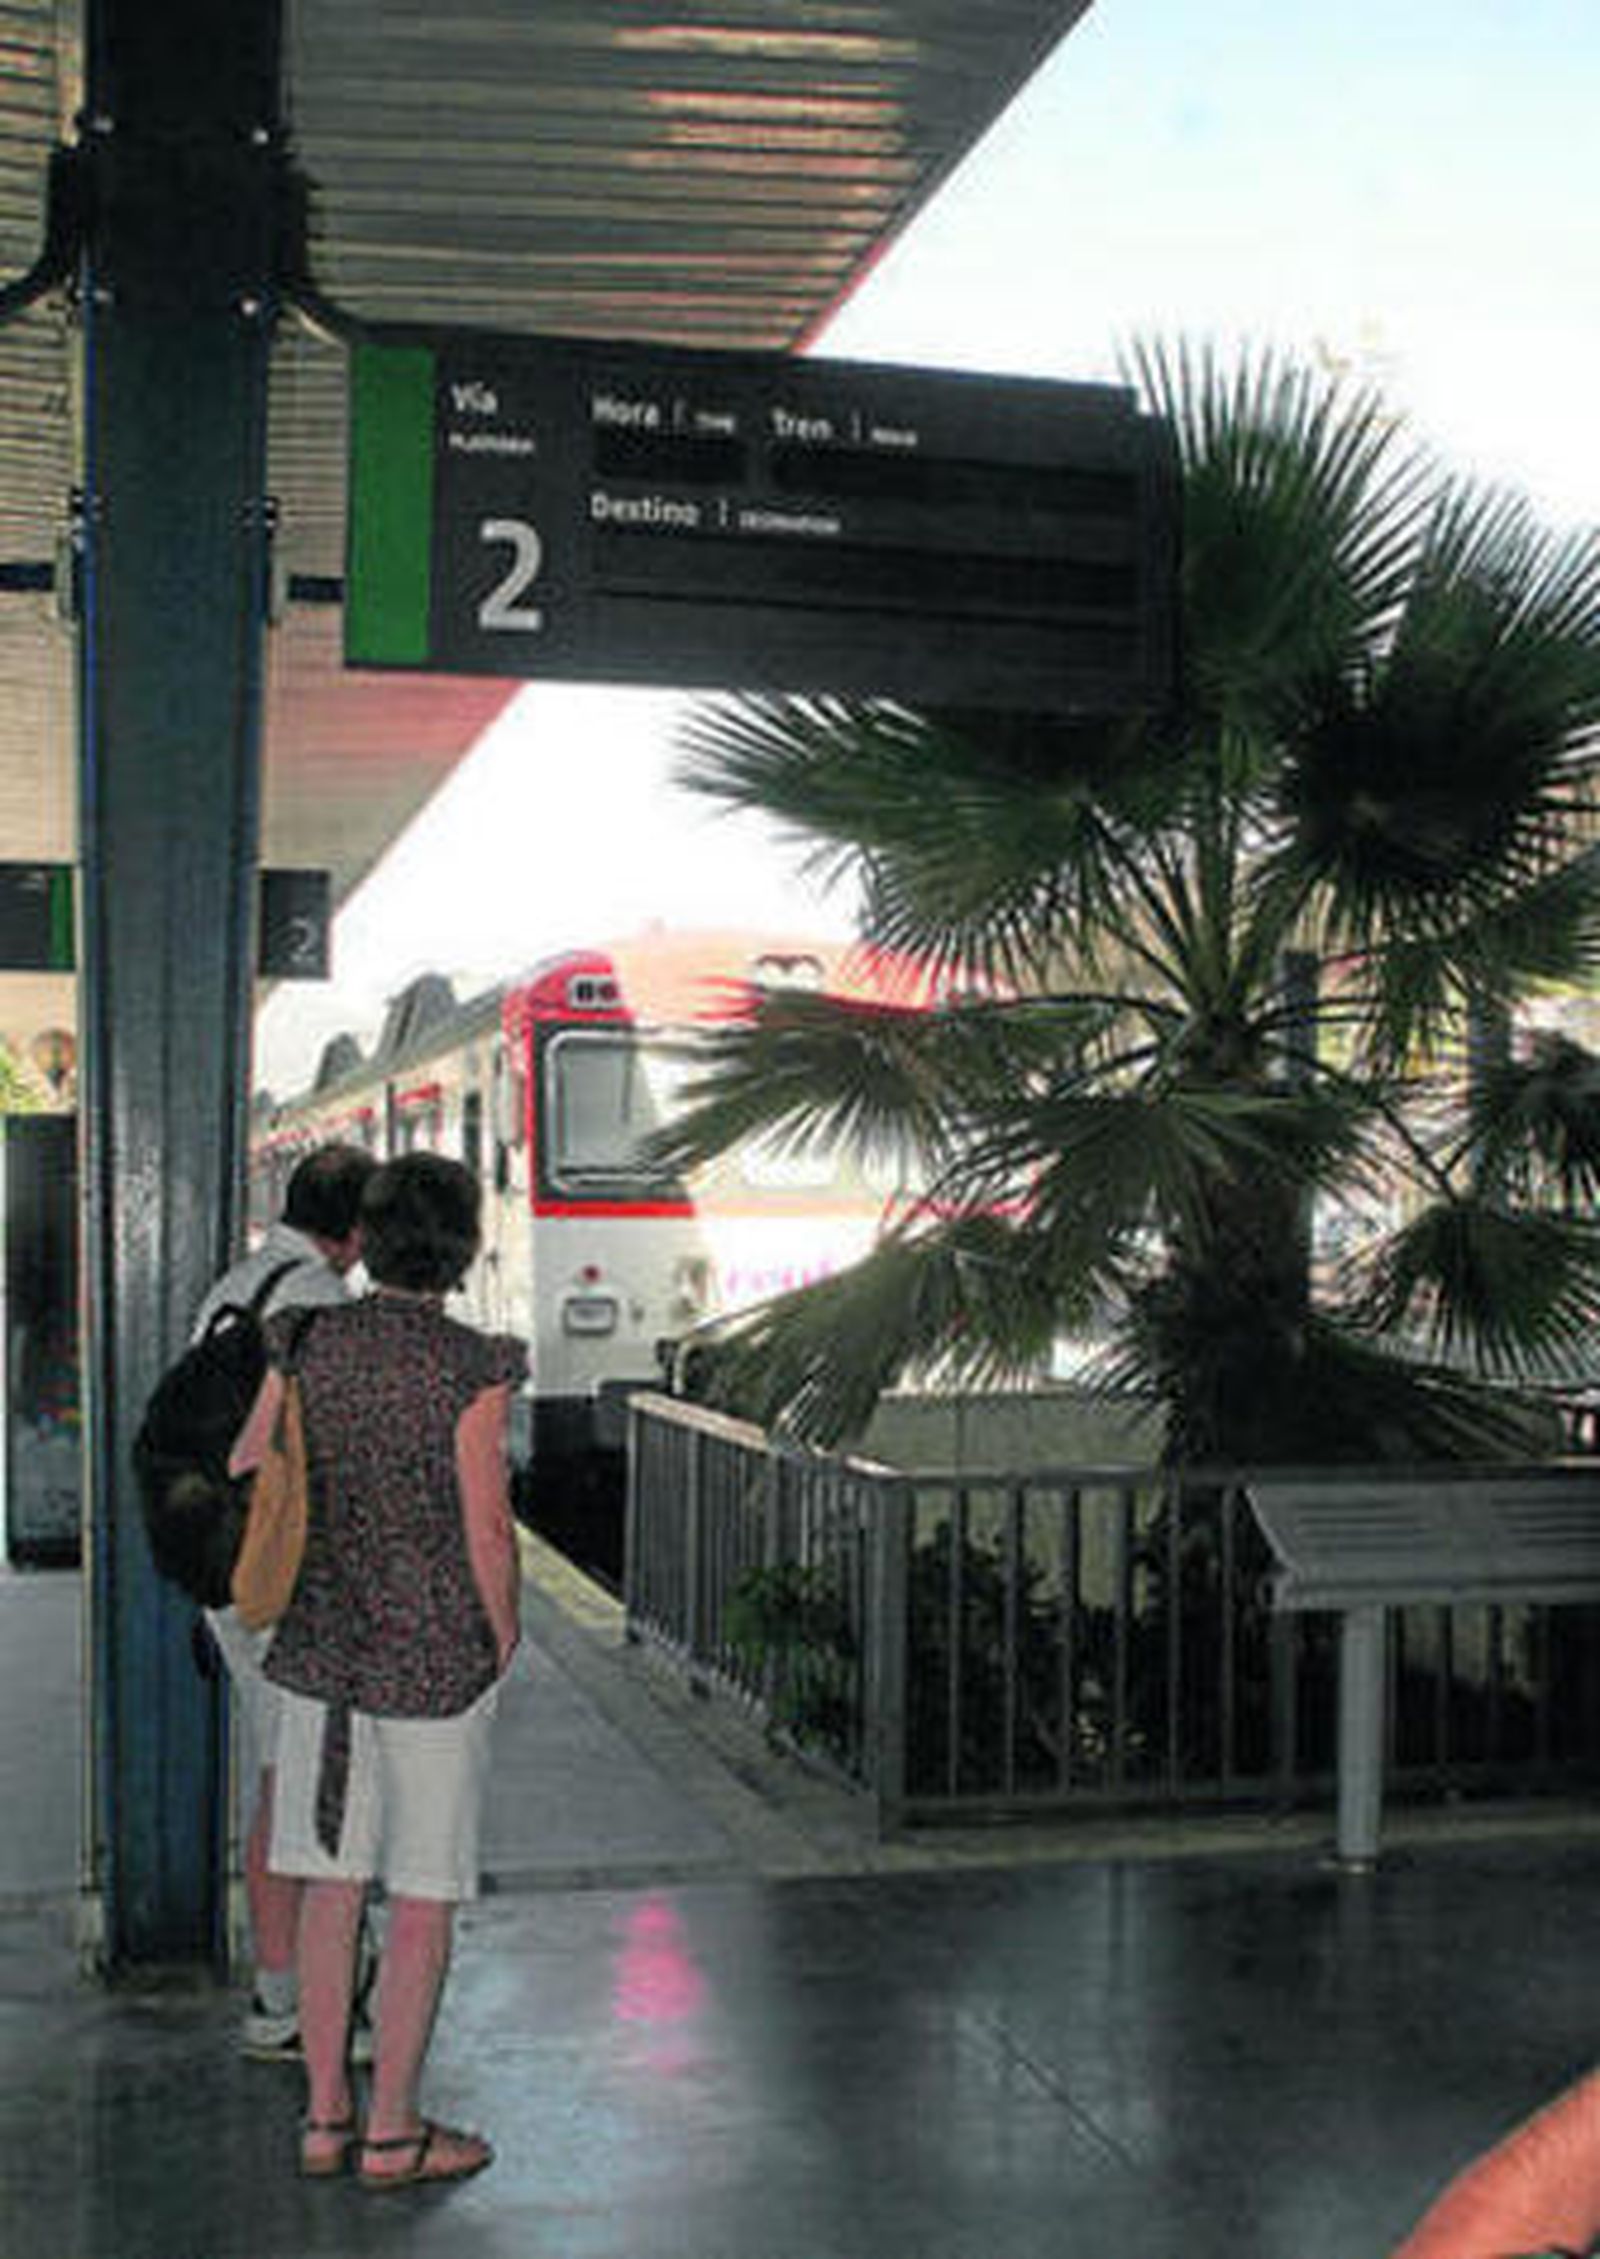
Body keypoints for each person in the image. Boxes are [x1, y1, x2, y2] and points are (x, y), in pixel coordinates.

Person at [233, 1151, 526, 2188]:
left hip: (320, 1652)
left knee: (330, 1889)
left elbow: (247, 1462)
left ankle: (323, 2121)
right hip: (435, 1660)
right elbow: (486, 1526)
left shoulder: (303, 1337)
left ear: (371, 1232)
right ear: (460, 1247)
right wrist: (504, 1635)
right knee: (421, 1897)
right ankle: (394, 2133)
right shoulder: (473, 1364)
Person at [196, 1140, 377, 2060]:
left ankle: (291, 1986)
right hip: (284, 1581)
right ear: (352, 1229)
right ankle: (289, 2003)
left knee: (281, 1776)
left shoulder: (238, 1282)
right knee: (296, 1788)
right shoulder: (315, 1302)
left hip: (229, 1569)